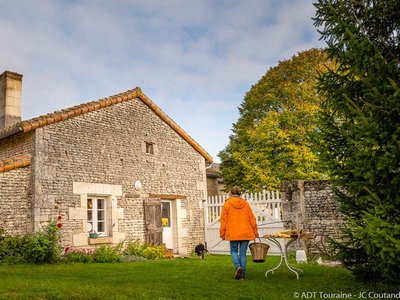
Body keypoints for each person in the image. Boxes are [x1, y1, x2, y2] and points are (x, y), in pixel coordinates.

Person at [220, 186, 258, 280]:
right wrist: (255, 232)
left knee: (233, 251)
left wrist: (222, 233)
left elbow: (223, 220)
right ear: (240, 194)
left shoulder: (227, 204)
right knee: (242, 253)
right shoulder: (246, 204)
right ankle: (242, 275)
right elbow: (252, 219)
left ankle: (238, 267)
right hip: (246, 232)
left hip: (233, 233)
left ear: (230, 194)